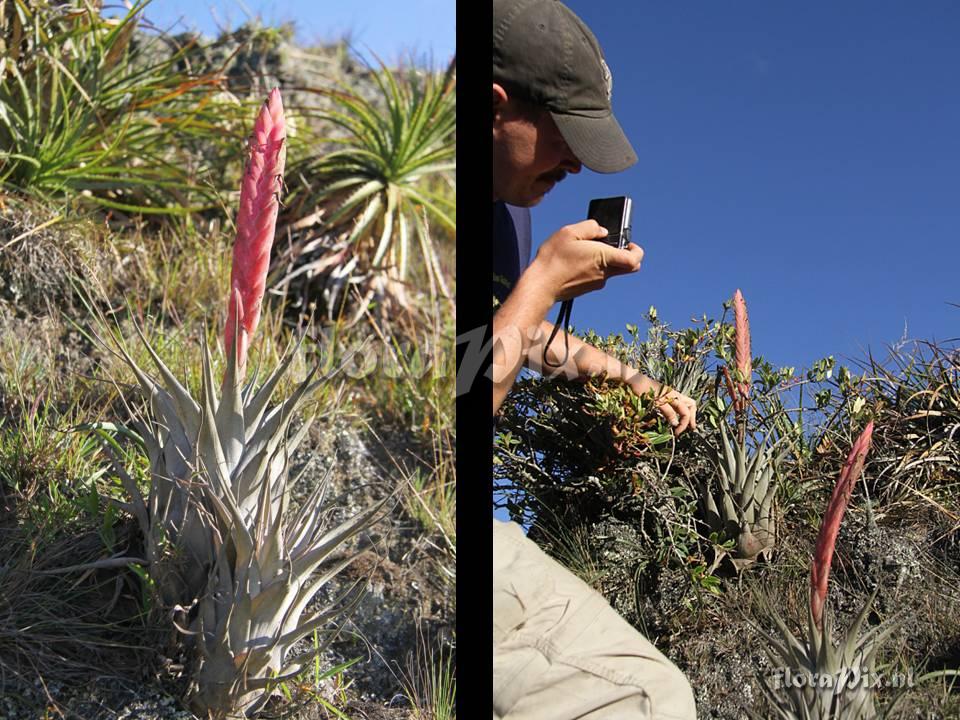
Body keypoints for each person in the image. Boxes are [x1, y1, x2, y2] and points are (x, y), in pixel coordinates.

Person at [492, 1, 699, 718]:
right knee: (654, 700)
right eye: (565, 138)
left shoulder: (507, 210)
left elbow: (513, 339)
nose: (576, 163)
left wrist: (635, 381)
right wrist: (542, 283)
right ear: (497, 110)